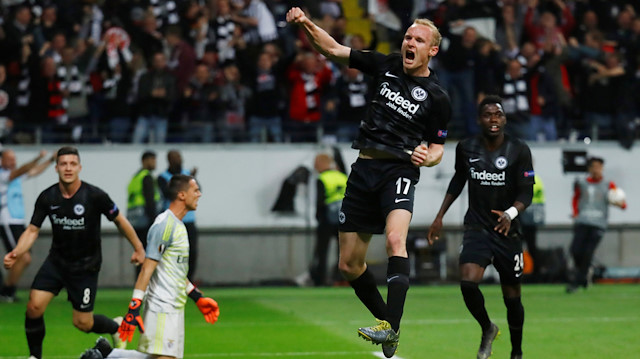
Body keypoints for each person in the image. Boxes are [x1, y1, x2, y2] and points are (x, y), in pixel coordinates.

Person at [287, 7, 451, 358]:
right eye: (408, 37)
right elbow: (332, 49)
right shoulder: (386, 64)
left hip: (399, 172)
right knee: (348, 264)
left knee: (395, 240)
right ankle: (389, 327)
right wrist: (305, 23)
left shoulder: (437, 97)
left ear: (431, 50)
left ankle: (389, 325)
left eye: (419, 40)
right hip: (363, 171)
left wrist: (428, 156)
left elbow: (438, 147)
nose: (410, 42)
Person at [3, 146, 146, 359]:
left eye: (72, 164)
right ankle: (34, 356)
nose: (68, 168)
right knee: (33, 307)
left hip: (85, 267)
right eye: (63, 164)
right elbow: (32, 230)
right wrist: (16, 251)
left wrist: (138, 248)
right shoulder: (47, 197)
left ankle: (116, 327)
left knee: (82, 323)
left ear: (79, 167)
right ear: (56, 168)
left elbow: (119, 220)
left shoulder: (95, 195)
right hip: (57, 262)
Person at [428, 96, 534, 359]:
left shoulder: (519, 149)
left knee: (512, 296)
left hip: (507, 232)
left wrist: (510, 213)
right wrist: (440, 215)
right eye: (488, 115)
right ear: (479, 119)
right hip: (477, 228)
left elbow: (526, 192)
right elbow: (458, 181)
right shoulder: (466, 147)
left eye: (498, 114)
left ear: (505, 119)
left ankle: (517, 352)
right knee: (467, 282)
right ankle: (487, 328)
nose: (494, 119)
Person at [79, 175, 219, 359]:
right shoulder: (164, 225)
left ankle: (109, 354)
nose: (199, 194)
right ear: (182, 195)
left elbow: (174, 271)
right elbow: (147, 268)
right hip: (161, 308)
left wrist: (196, 296)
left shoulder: (179, 226)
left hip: (175, 309)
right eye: (196, 190)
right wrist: (133, 308)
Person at [0, 149, 54, 302]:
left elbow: (34, 171)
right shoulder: (3, 175)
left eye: (14, 159)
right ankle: (6, 291)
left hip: (18, 221)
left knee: (24, 259)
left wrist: (50, 161)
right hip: (7, 221)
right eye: (9, 159)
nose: (13, 162)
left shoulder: (15, 177)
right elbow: (23, 169)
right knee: (22, 257)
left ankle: (7, 290)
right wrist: (38, 157)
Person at [567, 157, 626, 293]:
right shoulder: (582, 183)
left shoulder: (608, 185)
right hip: (582, 221)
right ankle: (585, 273)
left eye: (599, 167)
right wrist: (575, 213)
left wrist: (618, 203)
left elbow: (622, 204)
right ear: (589, 168)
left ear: (602, 168)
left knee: (588, 252)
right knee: (575, 251)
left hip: (598, 223)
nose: (596, 169)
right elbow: (576, 198)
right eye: (594, 166)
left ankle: (578, 282)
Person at [298, 153, 348, 287]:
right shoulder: (343, 177)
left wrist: (317, 218)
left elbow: (320, 202)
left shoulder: (322, 178)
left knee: (322, 251)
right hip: (343, 219)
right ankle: (340, 278)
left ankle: (320, 280)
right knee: (342, 252)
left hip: (326, 219)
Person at [157, 150, 198, 280]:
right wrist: (187, 186)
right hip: (172, 221)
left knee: (191, 252)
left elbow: (197, 191)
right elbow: (168, 194)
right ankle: (170, 279)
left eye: (179, 157)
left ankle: (188, 281)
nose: (178, 160)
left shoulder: (187, 174)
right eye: (175, 158)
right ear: (169, 160)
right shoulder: (163, 177)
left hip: (189, 219)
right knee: (171, 253)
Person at [127, 151, 161, 254]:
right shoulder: (147, 177)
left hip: (135, 220)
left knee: (139, 251)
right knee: (147, 253)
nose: (155, 163)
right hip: (145, 220)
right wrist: (155, 222)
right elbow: (149, 200)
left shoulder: (136, 177)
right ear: (144, 161)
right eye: (152, 160)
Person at [519, 173, 545, 281]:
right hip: (529, 216)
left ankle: (534, 272)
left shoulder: (529, 178)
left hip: (526, 216)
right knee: (531, 246)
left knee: (528, 246)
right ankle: (535, 272)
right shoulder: (536, 179)